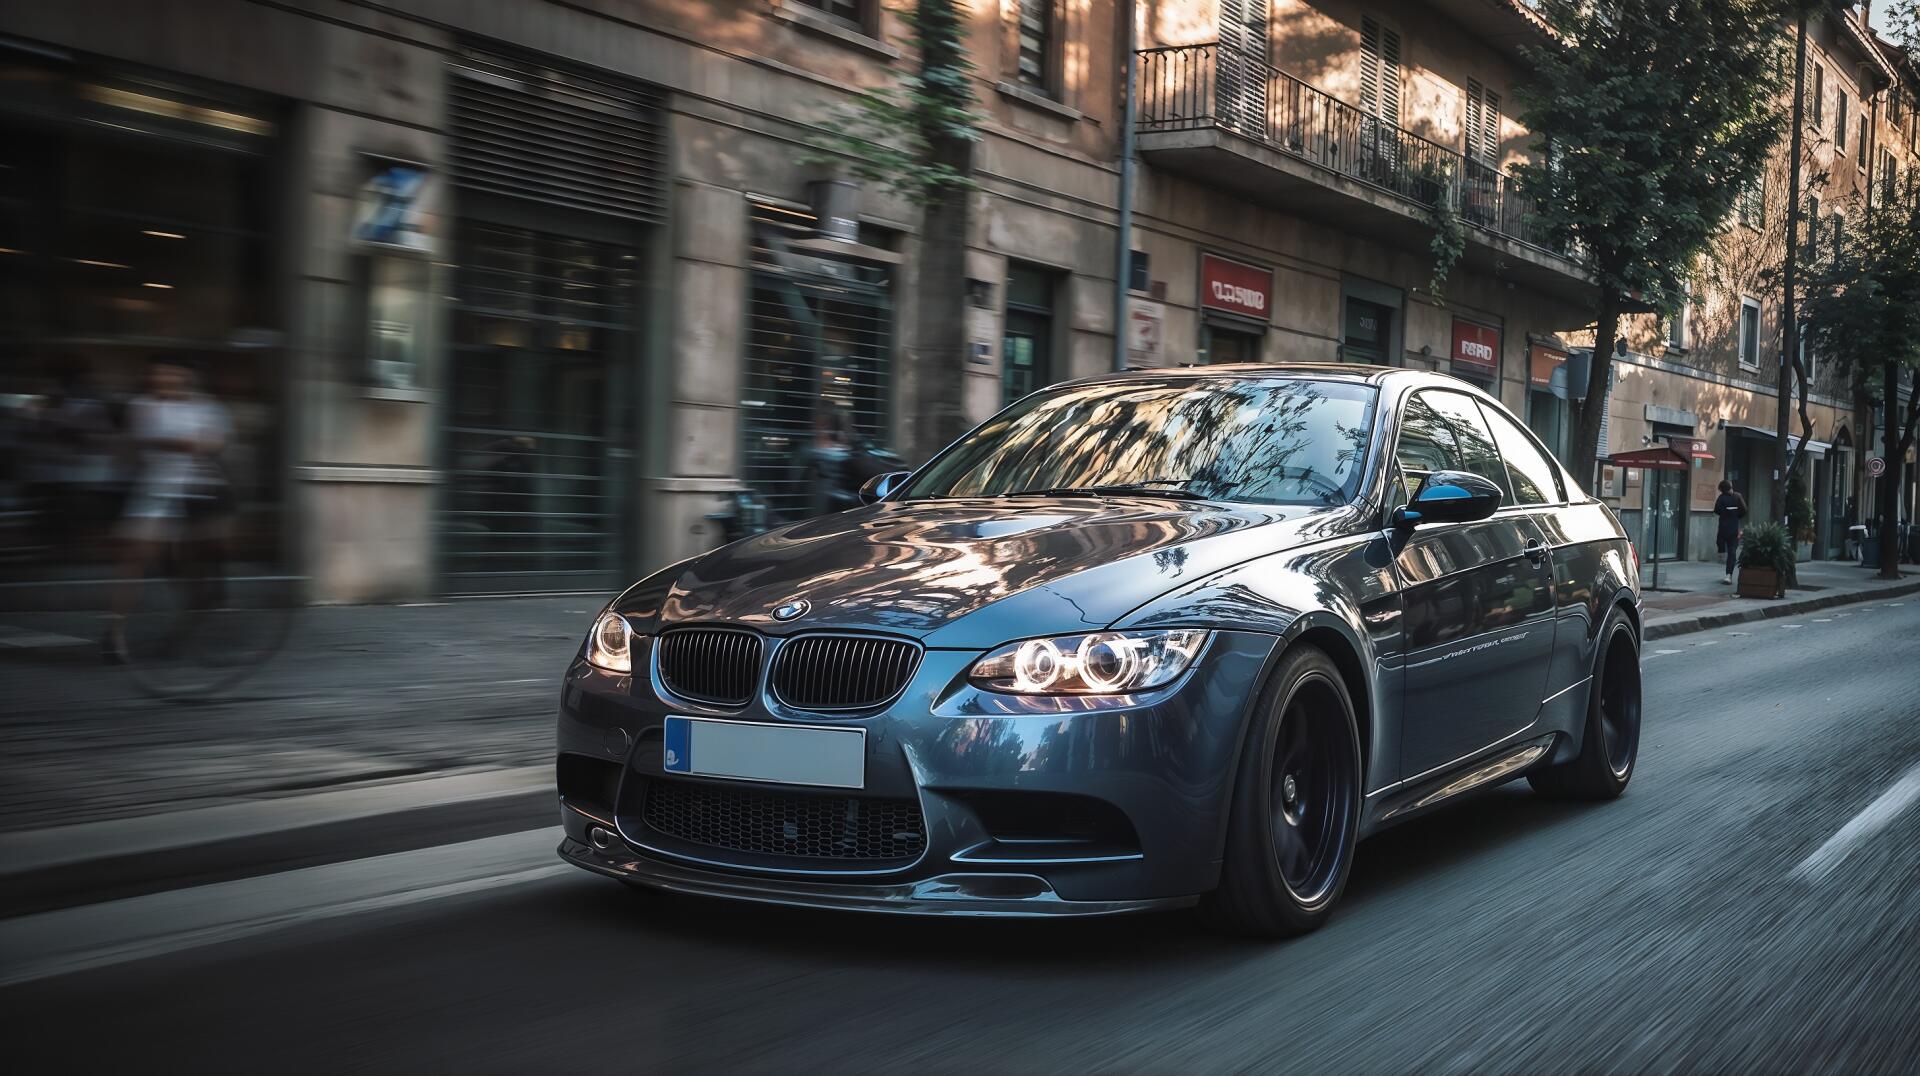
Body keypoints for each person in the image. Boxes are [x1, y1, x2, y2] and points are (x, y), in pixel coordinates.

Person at [105, 354, 234, 660]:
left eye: (172, 375)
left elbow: (214, 444)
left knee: (188, 572)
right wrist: (186, 443)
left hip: (198, 495)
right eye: (159, 375)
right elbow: (146, 438)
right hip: (155, 493)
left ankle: (186, 630)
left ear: (185, 377)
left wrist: (187, 443)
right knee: (134, 561)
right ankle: (112, 634)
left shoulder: (205, 408)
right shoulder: (143, 405)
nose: (164, 381)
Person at [1713, 478, 1747, 585]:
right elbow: (1744, 510)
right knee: (1732, 552)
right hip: (1733, 527)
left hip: (1723, 527)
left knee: (1722, 544)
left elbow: (1716, 510)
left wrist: (1725, 514)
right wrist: (1736, 516)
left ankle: (1722, 554)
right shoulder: (1738, 496)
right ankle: (1729, 575)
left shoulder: (1721, 498)